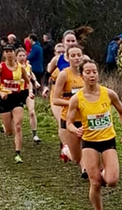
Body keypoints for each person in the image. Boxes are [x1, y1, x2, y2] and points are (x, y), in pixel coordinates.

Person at [66, 59, 122, 210]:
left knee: (112, 181)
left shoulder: (108, 93)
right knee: (94, 182)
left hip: (108, 140)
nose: (92, 75)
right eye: (88, 72)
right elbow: (69, 123)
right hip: (89, 142)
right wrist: (75, 130)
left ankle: (102, 173)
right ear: (82, 76)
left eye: (94, 71)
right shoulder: (77, 99)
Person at [0, 45, 29, 163]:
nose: (9, 54)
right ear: (4, 54)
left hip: (17, 97)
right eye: (6, 52)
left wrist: (30, 91)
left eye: (11, 51)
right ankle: (4, 126)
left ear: (14, 53)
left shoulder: (20, 68)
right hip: (4, 98)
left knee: (18, 125)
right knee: (9, 131)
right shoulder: (0, 67)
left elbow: (28, 81)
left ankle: (18, 153)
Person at [52, 45, 85, 173]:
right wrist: (72, 102)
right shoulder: (64, 74)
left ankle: (85, 170)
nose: (76, 58)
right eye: (73, 56)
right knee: (76, 157)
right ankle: (66, 150)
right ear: (68, 58)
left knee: (87, 146)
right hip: (69, 117)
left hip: (85, 116)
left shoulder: (86, 73)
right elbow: (55, 100)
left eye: (78, 55)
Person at [16, 47, 41, 143]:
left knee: (32, 112)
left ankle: (35, 135)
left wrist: (35, 81)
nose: (22, 57)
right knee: (18, 116)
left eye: (24, 55)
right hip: (17, 92)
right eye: (20, 56)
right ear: (16, 57)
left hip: (27, 91)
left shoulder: (28, 66)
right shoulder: (14, 67)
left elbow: (31, 73)